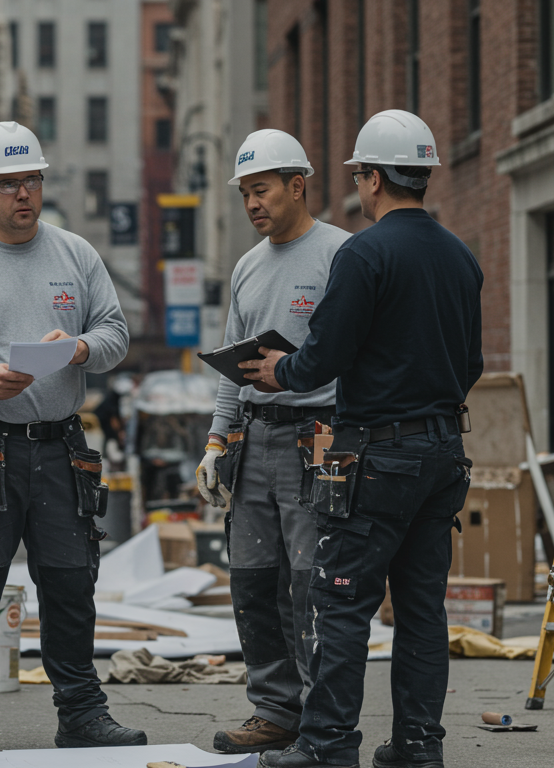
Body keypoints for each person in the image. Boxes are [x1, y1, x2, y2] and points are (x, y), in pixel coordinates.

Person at [239, 110, 482, 768]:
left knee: (340, 602)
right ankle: (418, 746)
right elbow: (472, 364)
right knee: (422, 610)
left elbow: (323, 357)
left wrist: (279, 371)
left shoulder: (364, 254)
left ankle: (325, 746)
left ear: (372, 178)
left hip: (377, 453)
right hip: (443, 452)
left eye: (359, 175)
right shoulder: (459, 256)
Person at [0, 121, 142, 759]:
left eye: (31, 181)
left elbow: (115, 333)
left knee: (71, 583)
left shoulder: (76, 255)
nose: (23, 194)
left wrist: (80, 348)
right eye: (8, 184)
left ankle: (82, 713)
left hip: (60, 446)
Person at [195, 130, 349, 755]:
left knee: (314, 584)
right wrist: (216, 440)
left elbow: (357, 354)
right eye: (245, 194)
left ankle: (318, 720)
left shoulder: (340, 254)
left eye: (262, 190)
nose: (253, 204)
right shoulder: (247, 266)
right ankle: (275, 709)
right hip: (255, 437)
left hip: (323, 436)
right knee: (253, 581)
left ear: (297, 185)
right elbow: (233, 367)